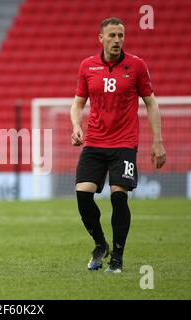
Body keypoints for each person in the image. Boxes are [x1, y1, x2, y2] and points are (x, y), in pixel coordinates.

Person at [70, 17, 166, 273]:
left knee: (118, 197)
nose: (117, 40)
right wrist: (77, 126)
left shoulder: (136, 65)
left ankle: (118, 258)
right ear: (100, 38)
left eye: (120, 35)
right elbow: (78, 103)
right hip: (94, 142)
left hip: (124, 143)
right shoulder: (87, 66)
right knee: (82, 195)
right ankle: (101, 245)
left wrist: (158, 141)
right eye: (112, 36)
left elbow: (151, 103)